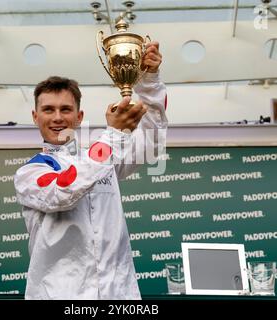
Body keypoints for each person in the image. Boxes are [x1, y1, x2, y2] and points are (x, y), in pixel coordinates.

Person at [14, 41, 168, 299]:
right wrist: (114, 135)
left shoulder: (105, 157)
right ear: (35, 116)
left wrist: (149, 81)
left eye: (66, 109)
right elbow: (65, 188)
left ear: (80, 116)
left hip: (118, 296)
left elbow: (151, 142)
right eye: (48, 109)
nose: (57, 117)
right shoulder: (29, 173)